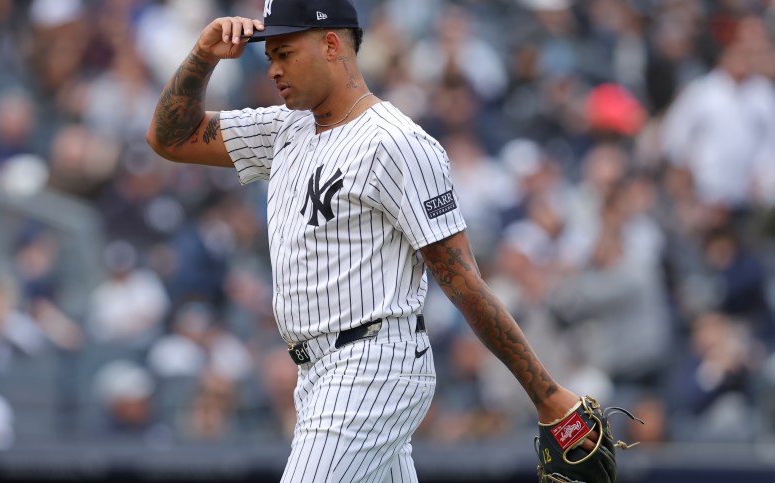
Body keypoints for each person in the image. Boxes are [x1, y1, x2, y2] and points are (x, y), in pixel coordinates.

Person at [146, 0, 593, 480]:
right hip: (318, 374)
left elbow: (463, 282)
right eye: (269, 55)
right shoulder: (285, 129)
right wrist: (203, 55)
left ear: (332, 44)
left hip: (373, 363)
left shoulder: (396, 143)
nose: (273, 68)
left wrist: (545, 395)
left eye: (285, 52)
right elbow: (171, 137)